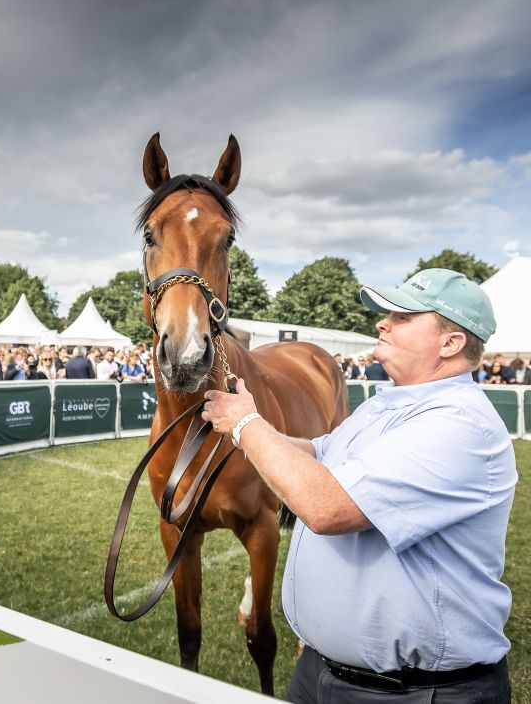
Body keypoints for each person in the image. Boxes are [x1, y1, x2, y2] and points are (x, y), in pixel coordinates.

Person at [202, 269, 515, 702]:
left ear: (450, 343)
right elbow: (316, 451)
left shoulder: (458, 423)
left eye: (404, 316)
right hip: (323, 673)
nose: (382, 322)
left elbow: (327, 507)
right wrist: (245, 428)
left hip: (411, 692)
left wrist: (247, 426)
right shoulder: (386, 404)